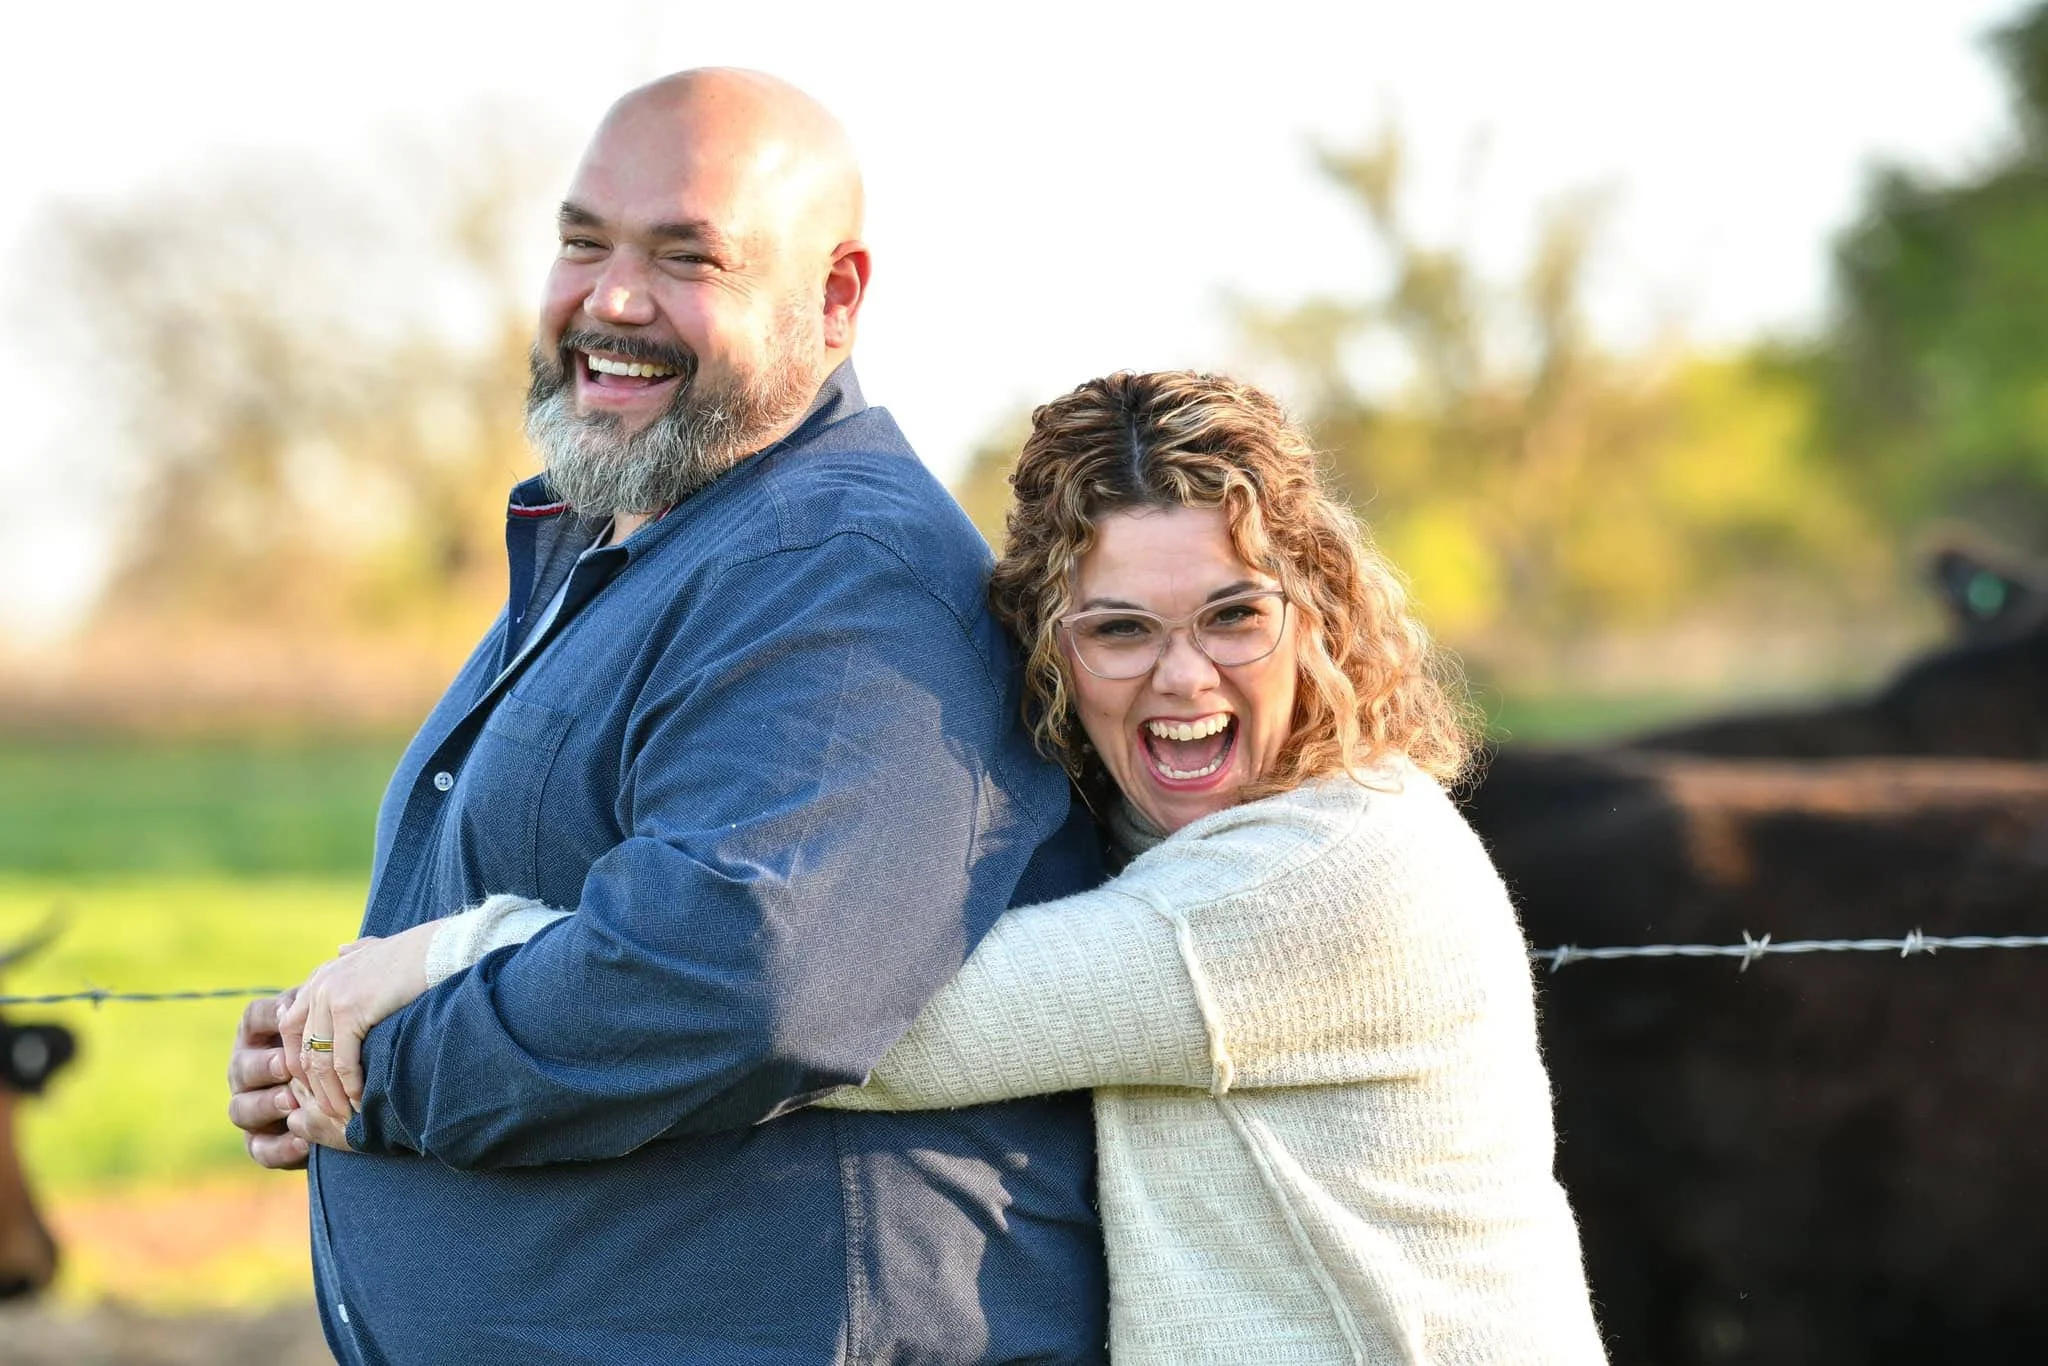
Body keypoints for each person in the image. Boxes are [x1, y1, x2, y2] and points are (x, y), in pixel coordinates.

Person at [285, 370, 1610, 1363]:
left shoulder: (1341, 871)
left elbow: (835, 1012)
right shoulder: (1146, 841)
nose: (1184, 676)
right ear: (1049, 647)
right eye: (1120, 629)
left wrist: (442, 958)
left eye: (1233, 616)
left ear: (1315, 615)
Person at [224, 70, 1113, 1365]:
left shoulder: (840, 571)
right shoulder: (635, 544)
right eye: (583, 242)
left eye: (687, 257)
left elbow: (734, 976)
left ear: (836, 298)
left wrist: (375, 1075)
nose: (613, 299)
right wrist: (316, 1035)